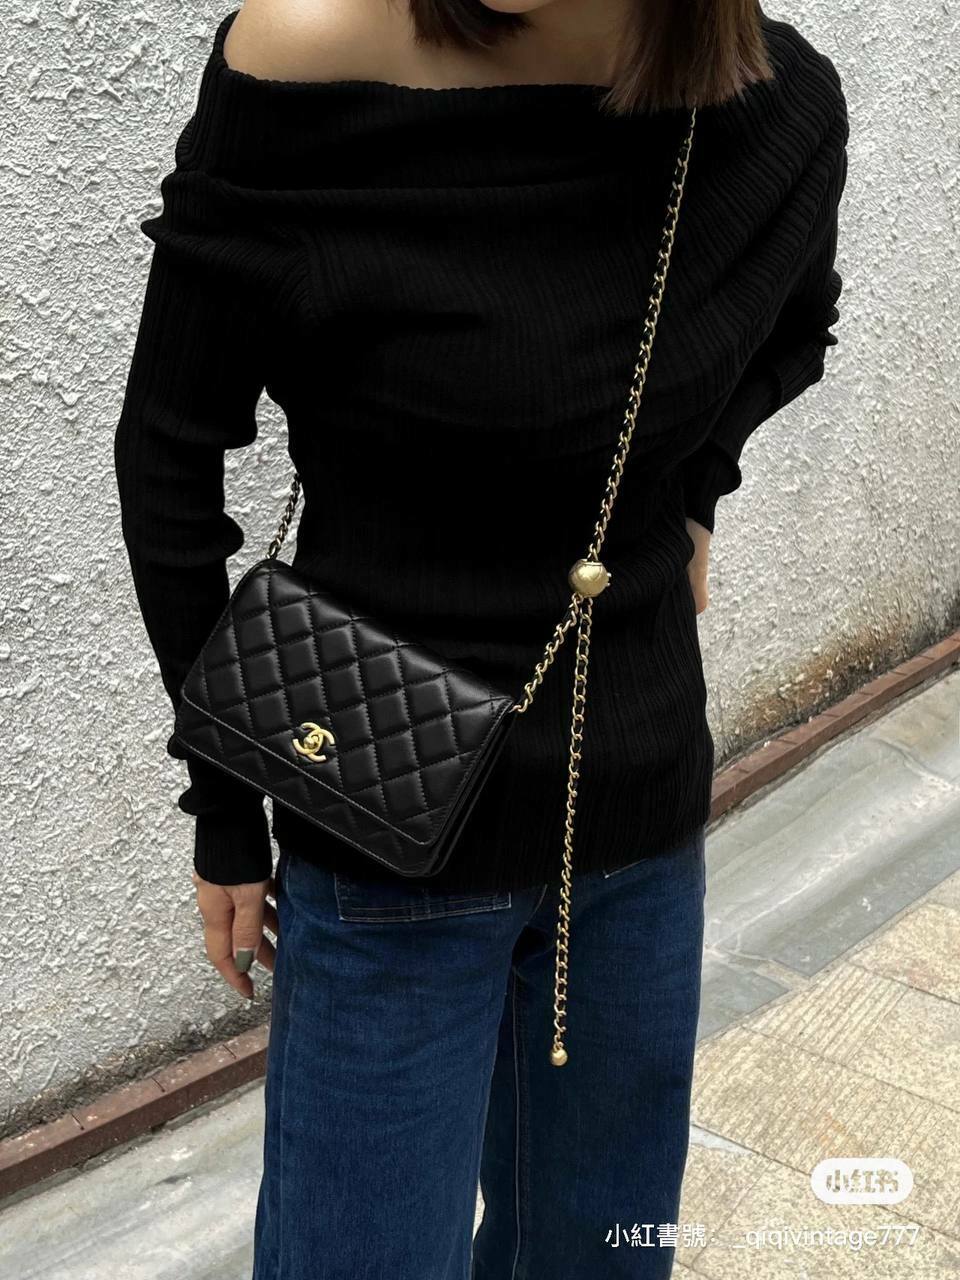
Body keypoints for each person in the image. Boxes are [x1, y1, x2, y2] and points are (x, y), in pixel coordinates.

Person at [113, 1, 849, 1275]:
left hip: (636, 817)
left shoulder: (764, 98)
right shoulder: (305, 57)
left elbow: (798, 322)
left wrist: (693, 491)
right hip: (381, 836)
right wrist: (226, 804)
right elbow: (167, 458)